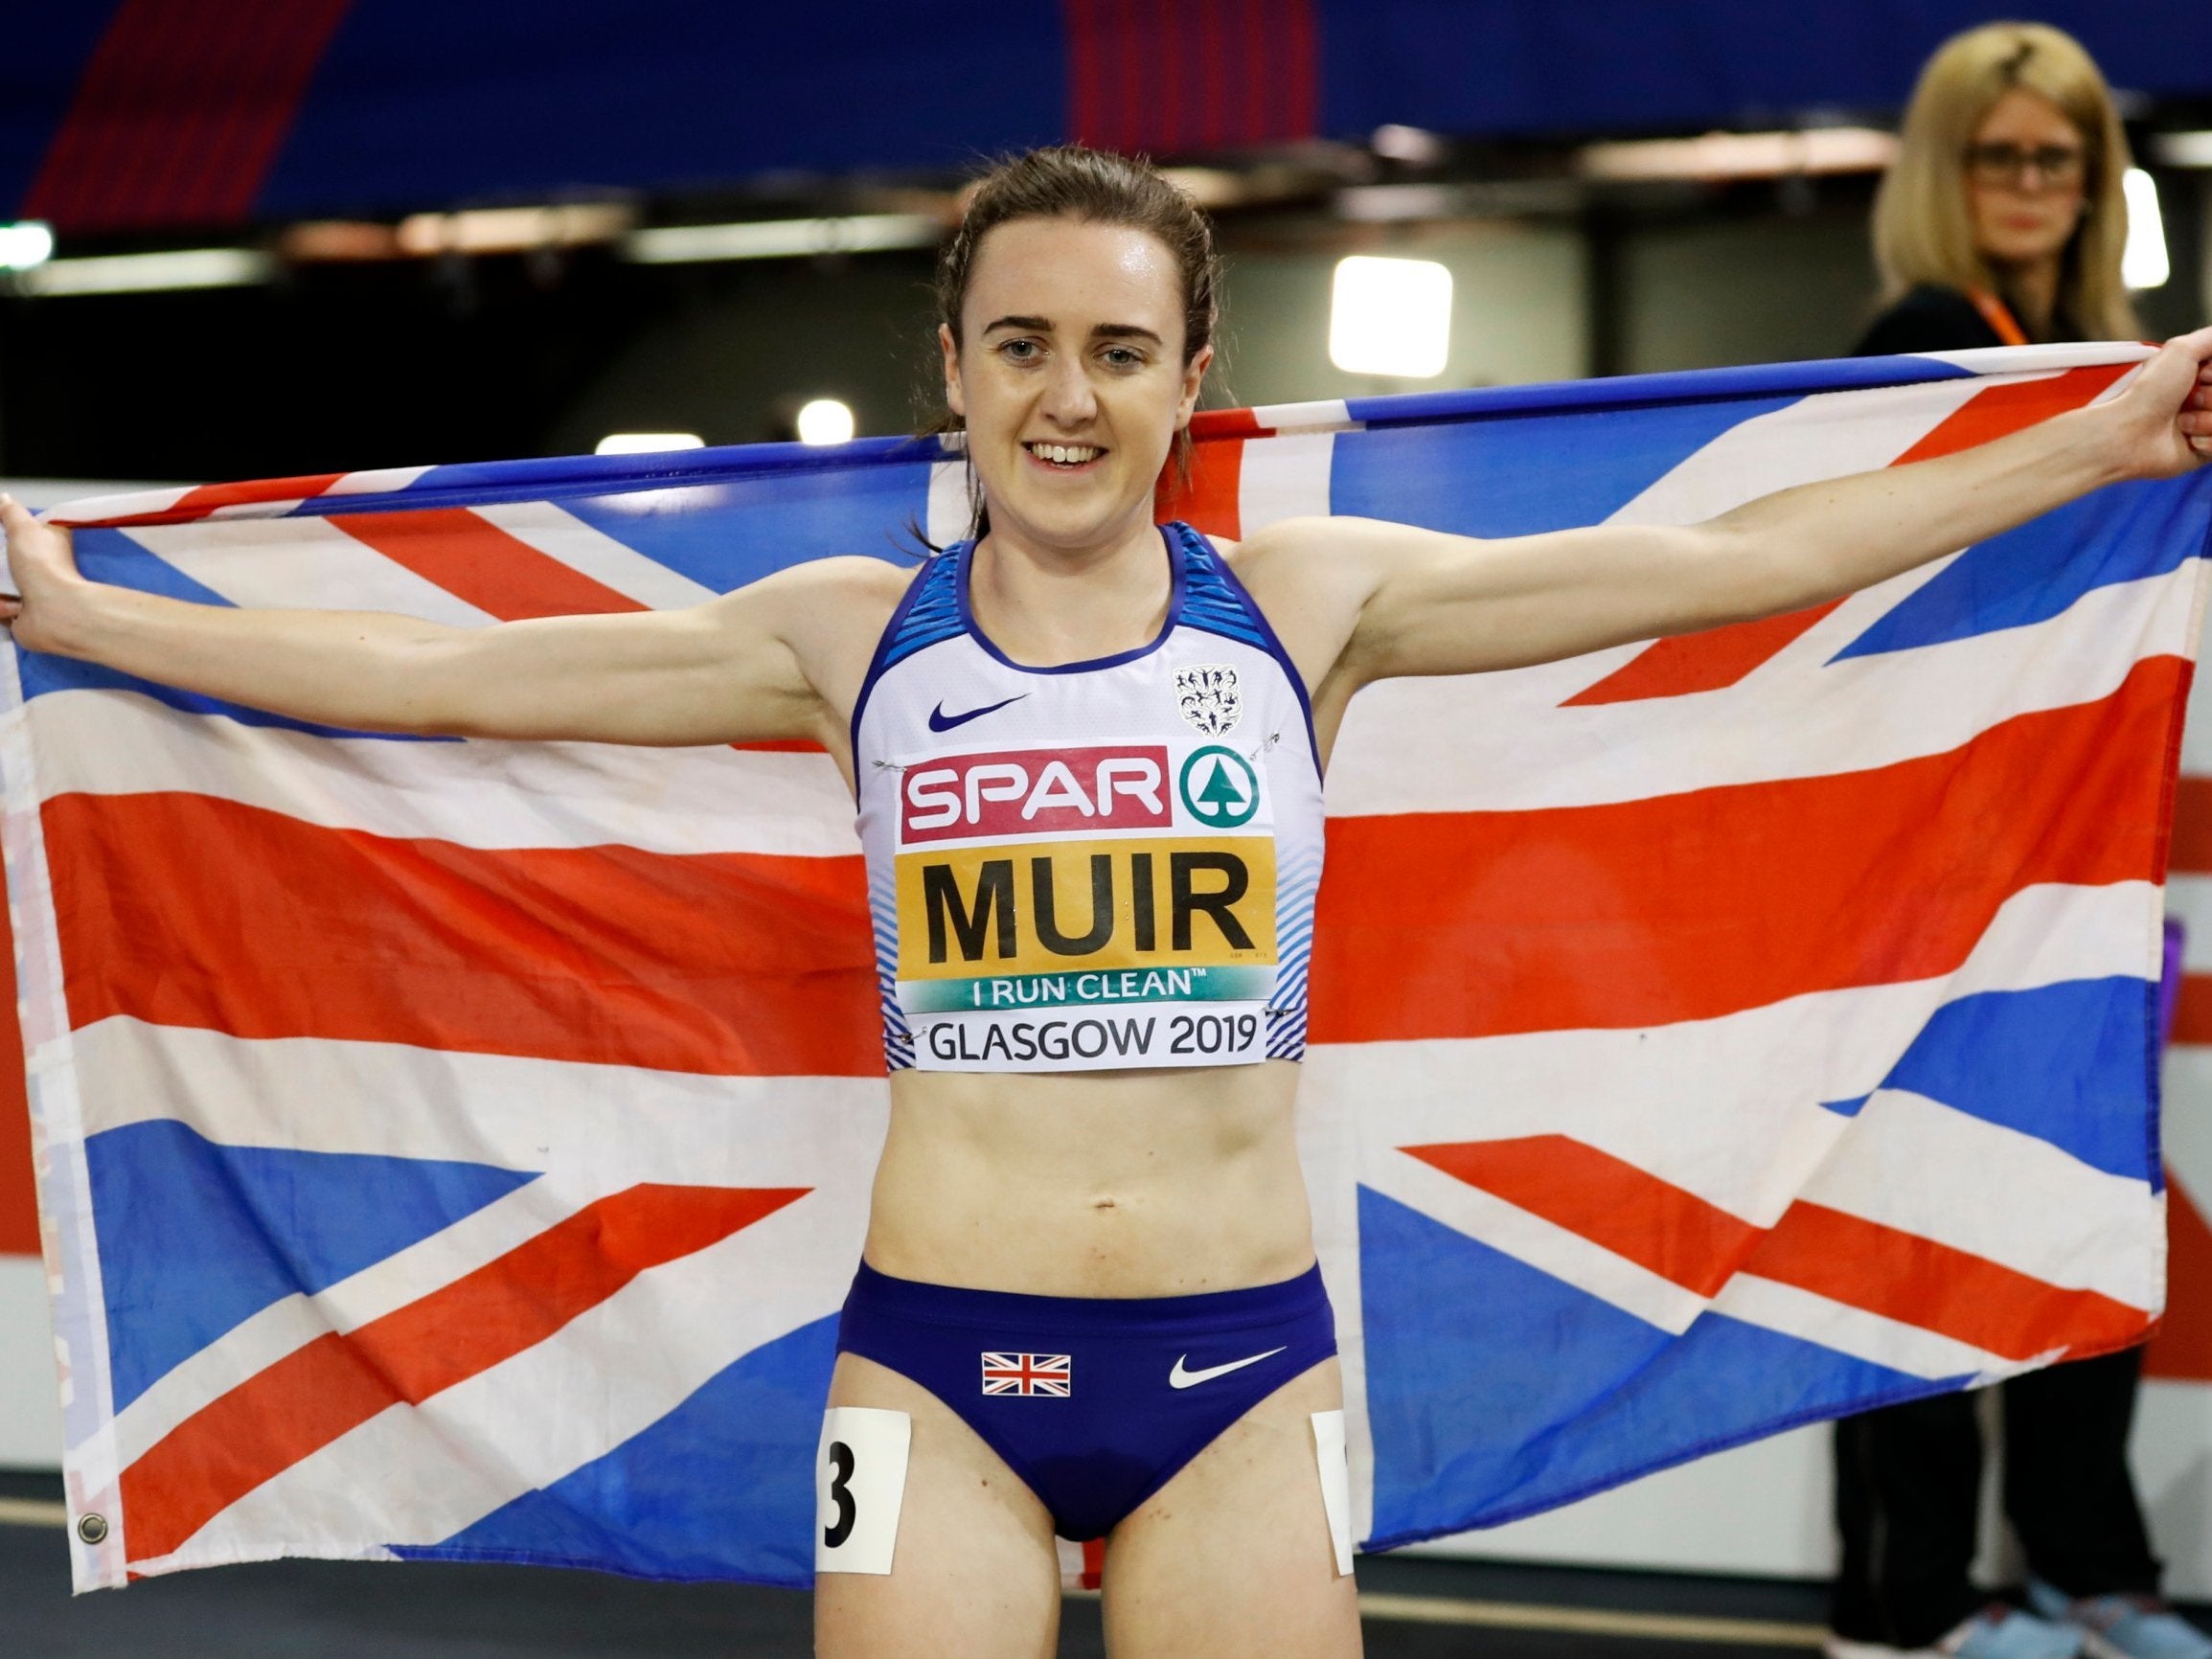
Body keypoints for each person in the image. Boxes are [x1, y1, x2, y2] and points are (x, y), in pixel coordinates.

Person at [4, 145, 2208, 1659]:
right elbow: (437, 681)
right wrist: (81, 611)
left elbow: (1727, 564)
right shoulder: (847, 634)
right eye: (1026, 342)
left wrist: (2094, 445)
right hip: (928, 1370)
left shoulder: (1312, 609)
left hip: (1245, 1370)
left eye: (1121, 350)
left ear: (1188, 381)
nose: (1071, 392)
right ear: (950, 369)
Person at [1831, 25, 2212, 1659]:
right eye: (2002, 157)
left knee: (2072, 1199)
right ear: (1945, 172)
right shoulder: (1924, 340)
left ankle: (2079, 1568)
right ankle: (1910, 1607)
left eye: (2060, 158)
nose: (2033, 189)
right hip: (1933, 859)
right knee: (1910, 1229)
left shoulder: (2096, 350)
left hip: (2068, 849)